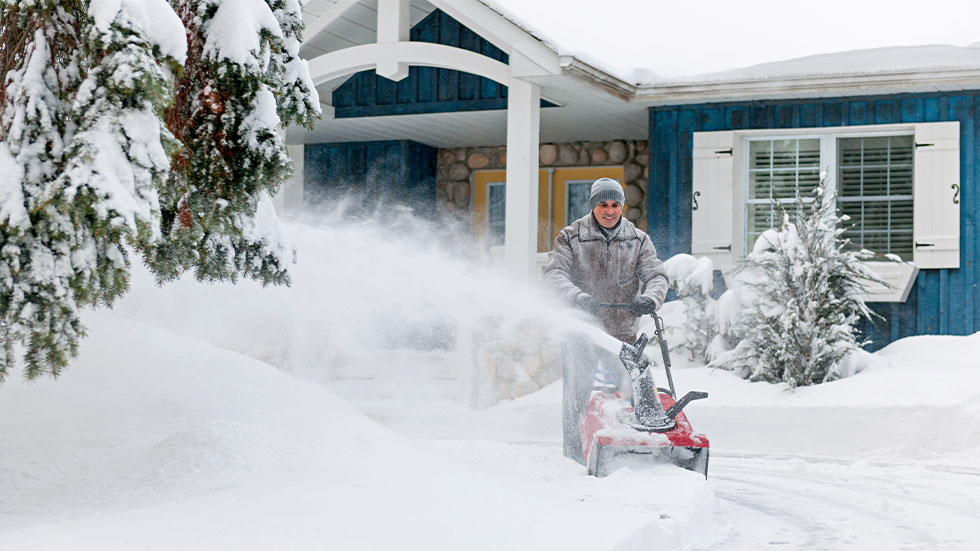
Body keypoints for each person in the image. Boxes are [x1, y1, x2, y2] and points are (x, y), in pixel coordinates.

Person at [543, 177, 669, 464]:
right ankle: (576, 457)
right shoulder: (571, 237)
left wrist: (650, 298)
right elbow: (553, 273)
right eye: (603, 204)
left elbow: (657, 276)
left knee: (629, 394)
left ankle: (629, 453)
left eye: (615, 204)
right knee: (578, 397)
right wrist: (577, 297)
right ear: (593, 206)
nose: (610, 211)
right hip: (582, 333)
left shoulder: (637, 240)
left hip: (621, 334)